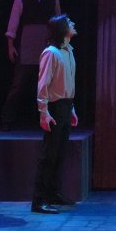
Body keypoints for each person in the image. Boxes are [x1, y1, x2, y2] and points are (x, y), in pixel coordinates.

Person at [2, 0, 61, 130]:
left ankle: (49, 118)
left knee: (48, 85)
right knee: (19, 85)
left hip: (47, 46)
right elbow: (12, 25)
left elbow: (59, 23)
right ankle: (8, 119)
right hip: (28, 46)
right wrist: (10, 46)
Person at [31, 14, 78, 214]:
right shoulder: (50, 53)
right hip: (55, 108)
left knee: (59, 154)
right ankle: (39, 200)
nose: (73, 24)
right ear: (61, 29)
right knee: (48, 155)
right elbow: (43, 86)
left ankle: (53, 193)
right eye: (69, 22)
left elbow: (67, 83)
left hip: (65, 106)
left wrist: (72, 109)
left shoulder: (68, 51)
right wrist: (44, 112)